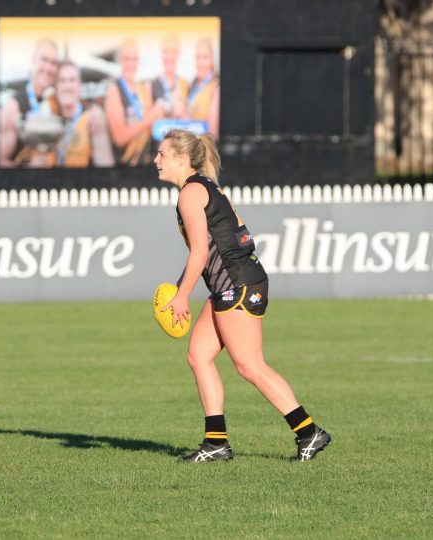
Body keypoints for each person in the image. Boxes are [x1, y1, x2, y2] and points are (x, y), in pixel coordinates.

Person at [154, 129, 331, 462]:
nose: (156, 160)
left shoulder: (191, 193)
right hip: (231, 285)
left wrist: (181, 297)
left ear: (181, 158)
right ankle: (216, 442)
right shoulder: (200, 188)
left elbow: (199, 256)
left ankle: (309, 432)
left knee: (250, 365)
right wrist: (180, 290)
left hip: (238, 285)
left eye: (161, 154)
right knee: (198, 355)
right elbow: (201, 251)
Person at [0, 38, 60, 167]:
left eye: (53, 63)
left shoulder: (55, 102)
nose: (48, 68)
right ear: (33, 60)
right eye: (44, 59)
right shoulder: (13, 107)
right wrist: (29, 169)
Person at [105, 38, 165, 166]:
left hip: (146, 162)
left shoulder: (143, 88)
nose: (131, 64)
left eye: (134, 59)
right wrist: (151, 118)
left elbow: (152, 128)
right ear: (120, 60)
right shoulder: (114, 90)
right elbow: (119, 138)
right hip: (124, 167)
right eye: (127, 59)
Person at [51, 61, 115, 167]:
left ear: (79, 86)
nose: (67, 86)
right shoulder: (50, 117)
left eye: (72, 80)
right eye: (62, 81)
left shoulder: (92, 118)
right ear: (56, 87)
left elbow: (105, 165)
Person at [149, 35, 189, 121]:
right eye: (166, 51)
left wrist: (182, 114)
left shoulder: (185, 84)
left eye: (173, 52)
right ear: (161, 53)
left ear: (178, 53)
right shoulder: (151, 85)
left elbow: (191, 122)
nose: (169, 56)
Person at [187, 38, 220, 138]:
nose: (200, 62)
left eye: (205, 57)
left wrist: (183, 115)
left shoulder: (216, 87)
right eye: (198, 57)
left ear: (213, 60)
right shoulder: (193, 84)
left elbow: (212, 133)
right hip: (188, 147)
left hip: (204, 149)